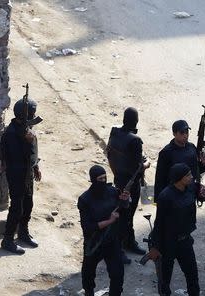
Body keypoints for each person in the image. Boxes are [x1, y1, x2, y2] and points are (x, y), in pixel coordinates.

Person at [147, 163, 200, 296]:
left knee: (192, 275)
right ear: (179, 178)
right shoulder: (166, 196)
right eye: (188, 175)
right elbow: (159, 223)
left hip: (185, 241)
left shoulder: (191, 188)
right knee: (165, 279)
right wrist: (154, 247)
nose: (191, 177)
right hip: (167, 243)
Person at [77, 165, 129, 296]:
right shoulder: (85, 199)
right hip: (94, 242)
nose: (103, 181)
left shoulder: (112, 191)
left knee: (117, 273)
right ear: (93, 180)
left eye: (105, 177)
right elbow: (87, 227)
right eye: (100, 179)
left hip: (112, 240)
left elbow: (121, 210)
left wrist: (125, 201)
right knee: (88, 274)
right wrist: (109, 221)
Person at [107, 107, 150, 258]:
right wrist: (147, 162)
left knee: (125, 215)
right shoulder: (135, 140)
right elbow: (140, 166)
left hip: (118, 179)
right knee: (125, 216)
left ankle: (129, 242)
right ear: (136, 121)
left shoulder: (114, 132)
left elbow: (109, 154)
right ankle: (119, 249)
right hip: (130, 185)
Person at [0, 98, 42, 254]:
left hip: (27, 172)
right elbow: (15, 157)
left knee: (28, 204)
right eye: (32, 113)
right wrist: (25, 141)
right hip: (16, 173)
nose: (34, 116)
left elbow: (32, 153)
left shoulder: (27, 129)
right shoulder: (11, 133)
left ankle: (23, 232)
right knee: (17, 207)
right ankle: (8, 239)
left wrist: (35, 166)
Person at [154, 120, 205, 204]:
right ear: (174, 134)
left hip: (190, 193)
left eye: (187, 132)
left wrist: (203, 163)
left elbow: (195, 171)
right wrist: (159, 201)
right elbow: (160, 178)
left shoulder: (191, 147)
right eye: (182, 133)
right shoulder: (166, 152)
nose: (185, 135)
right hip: (173, 196)